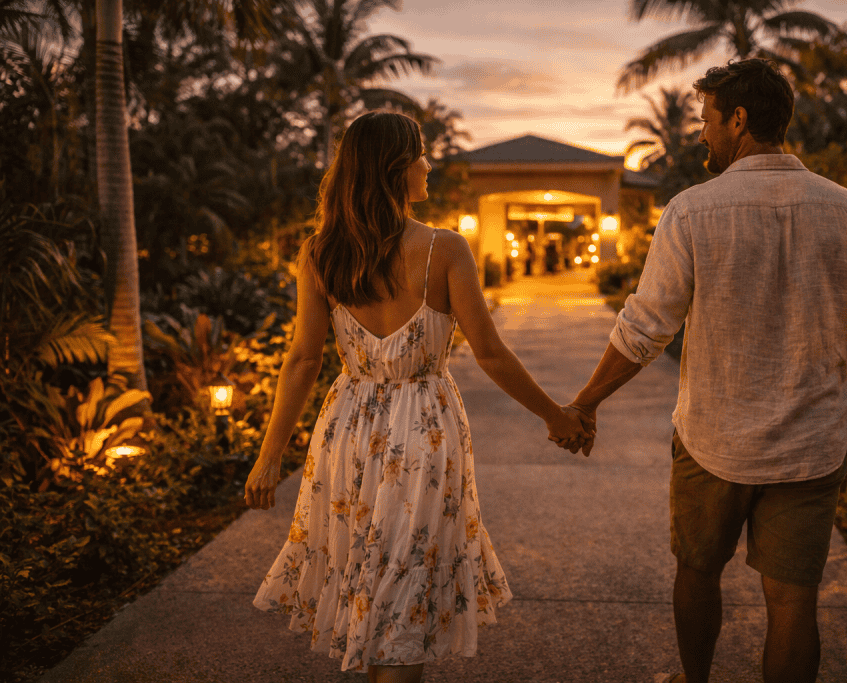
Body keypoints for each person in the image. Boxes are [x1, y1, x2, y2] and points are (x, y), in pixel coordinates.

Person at [557, 59, 847, 683]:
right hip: (810, 450)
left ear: (739, 121)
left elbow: (645, 328)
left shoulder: (692, 212)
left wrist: (585, 402)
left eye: (708, 121)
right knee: (794, 601)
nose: (702, 135)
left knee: (696, 571)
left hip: (714, 442)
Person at [245, 111, 590, 683]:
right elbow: (491, 353)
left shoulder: (320, 252)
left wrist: (270, 454)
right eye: (420, 154)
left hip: (348, 431)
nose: (428, 164)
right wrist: (559, 417)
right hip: (423, 431)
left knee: (369, 579)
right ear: (394, 168)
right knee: (405, 589)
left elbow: (303, 359)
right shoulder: (444, 249)